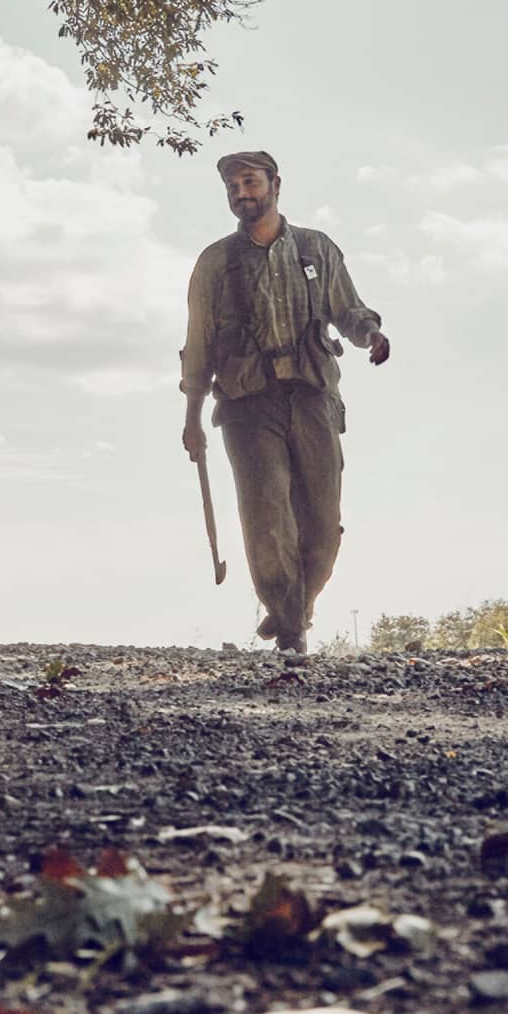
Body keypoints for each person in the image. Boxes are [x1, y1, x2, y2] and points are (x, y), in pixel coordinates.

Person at [180, 151, 389, 654]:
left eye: (249, 183)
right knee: (266, 513)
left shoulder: (316, 250)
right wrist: (192, 419)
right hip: (246, 402)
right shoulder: (215, 263)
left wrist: (372, 335)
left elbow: (349, 309)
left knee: (322, 521)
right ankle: (290, 627)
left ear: (275, 184)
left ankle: (295, 608)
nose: (240, 194)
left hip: (313, 393)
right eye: (232, 187)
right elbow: (199, 342)